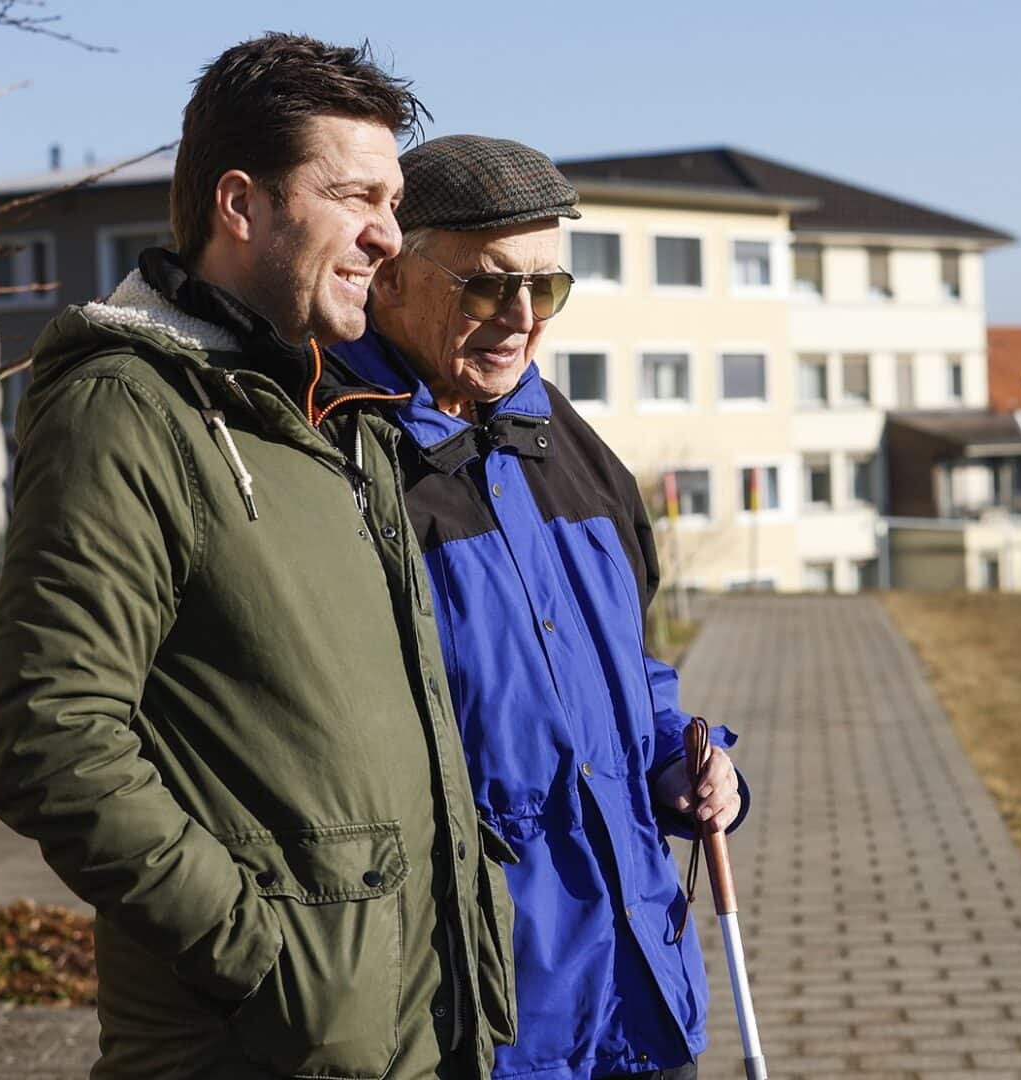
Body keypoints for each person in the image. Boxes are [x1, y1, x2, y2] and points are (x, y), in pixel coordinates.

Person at [0, 37, 513, 1079]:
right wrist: (261, 952)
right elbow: (53, 739)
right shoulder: (126, 408)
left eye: (393, 201)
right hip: (263, 1042)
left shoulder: (331, 412)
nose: (386, 238)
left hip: (410, 1024)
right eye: (355, 195)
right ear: (242, 204)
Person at [333, 135, 748, 1080]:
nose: (519, 317)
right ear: (391, 273)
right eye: (485, 287)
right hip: (484, 1016)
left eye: (546, 289)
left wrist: (683, 758)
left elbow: (630, 671)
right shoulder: (338, 460)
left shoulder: (575, 449)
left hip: (642, 997)